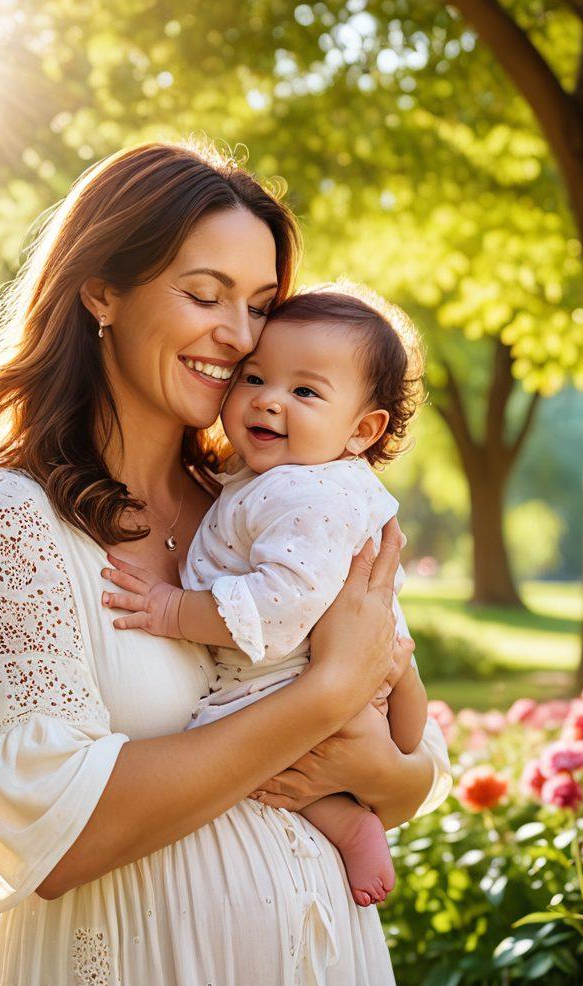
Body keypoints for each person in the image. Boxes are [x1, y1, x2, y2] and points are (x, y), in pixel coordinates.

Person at [0, 140, 452, 986]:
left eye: (260, 305)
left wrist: (380, 766)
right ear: (102, 290)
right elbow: (56, 830)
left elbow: (417, 768)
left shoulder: (272, 507)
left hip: (320, 982)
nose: (239, 336)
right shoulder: (16, 519)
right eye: (204, 294)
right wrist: (328, 692)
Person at [100, 283, 429, 910]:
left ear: (362, 429)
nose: (269, 401)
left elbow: (277, 606)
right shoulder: (287, 481)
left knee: (238, 740)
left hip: (285, 672)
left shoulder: (307, 494)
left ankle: (347, 821)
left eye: (304, 391)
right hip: (367, 672)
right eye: (253, 379)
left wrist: (173, 610)